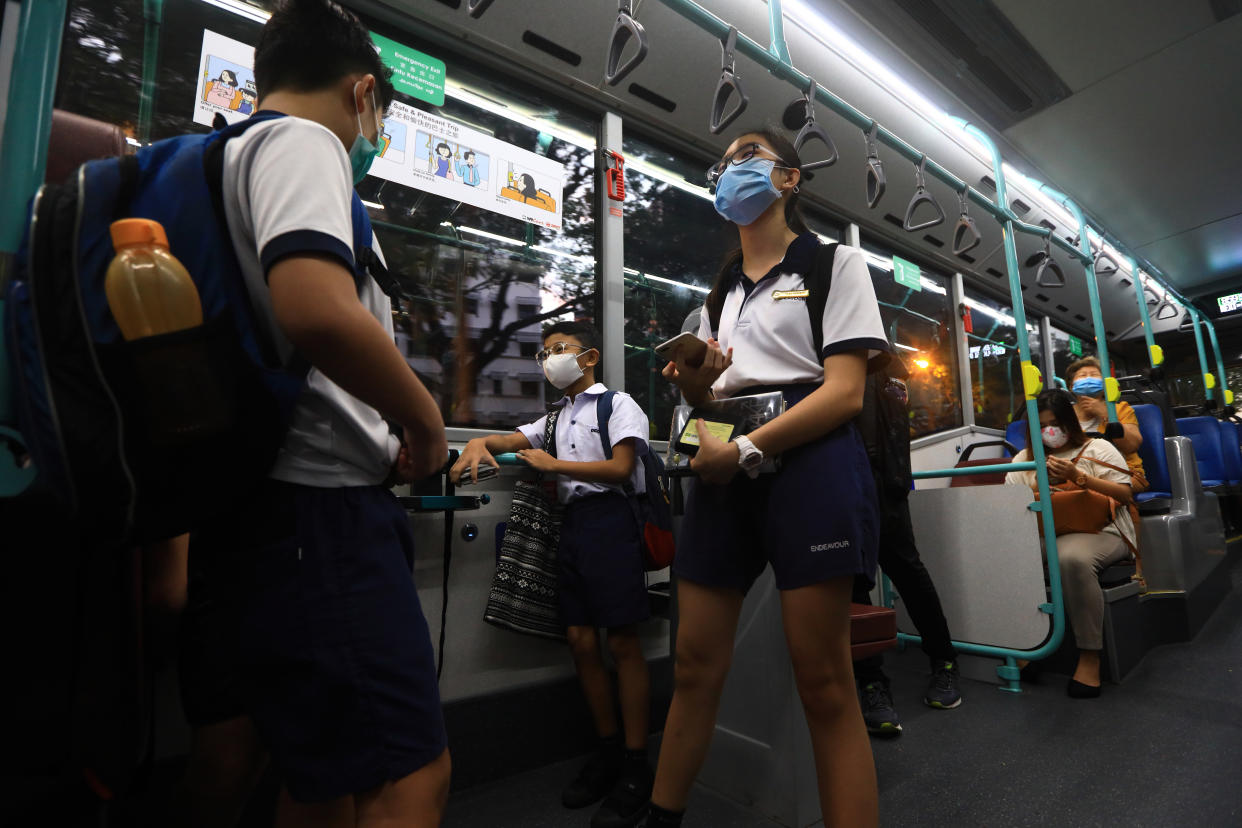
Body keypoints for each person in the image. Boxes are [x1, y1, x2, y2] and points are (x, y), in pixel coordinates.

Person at [200, 2, 452, 825]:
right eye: (376, 112)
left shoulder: (226, 156)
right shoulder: (304, 144)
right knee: (410, 770)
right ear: (362, 93)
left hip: (258, 503)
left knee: (322, 773)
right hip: (323, 509)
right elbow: (315, 310)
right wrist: (423, 423)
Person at [650, 128, 885, 827]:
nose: (729, 170)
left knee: (823, 680)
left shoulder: (834, 264)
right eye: (722, 162)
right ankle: (663, 814)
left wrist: (745, 449)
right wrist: (695, 394)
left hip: (808, 458)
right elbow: (716, 403)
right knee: (693, 665)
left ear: (789, 178)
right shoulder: (721, 294)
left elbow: (844, 393)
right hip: (731, 452)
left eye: (747, 156)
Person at [451, 321, 654, 828]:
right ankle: (606, 751)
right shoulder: (555, 417)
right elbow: (510, 439)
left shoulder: (618, 405)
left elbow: (622, 469)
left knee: (624, 644)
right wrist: (479, 444)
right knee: (582, 642)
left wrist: (552, 466)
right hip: (573, 527)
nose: (549, 360)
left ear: (588, 358)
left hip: (612, 523)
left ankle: (635, 762)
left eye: (558, 350)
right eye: (543, 353)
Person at [851, 356, 961, 736]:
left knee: (908, 572)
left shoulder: (878, 363)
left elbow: (890, 431)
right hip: (842, 479)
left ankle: (944, 661)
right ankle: (871, 682)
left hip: (883, 482)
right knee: (853, 583)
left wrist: (891, 481)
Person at [1005, 389, 1137, 698]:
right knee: (1004, 554)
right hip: (1046, 533)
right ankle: (1023, 645)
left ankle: (1090, 655)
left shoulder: (1098, 448)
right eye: (1040, 426)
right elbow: (1011, 507)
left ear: (1069, 422)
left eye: (1055, 423)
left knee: (1071, 558)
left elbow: (1125, 495)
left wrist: (1080, 477)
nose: (1048, 431)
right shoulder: (1024, 460)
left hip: (1104, 532)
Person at [1066, 356, 1146, 492]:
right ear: (1071, 386)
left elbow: (1132, 445)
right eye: (1082, 375)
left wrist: (1106, 414)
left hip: (1123, 472)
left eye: (1094, 375)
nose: (1088, 379)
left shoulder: (1120, 409)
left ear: (1104, 385)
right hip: (1078, 472)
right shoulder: (1064, 415)